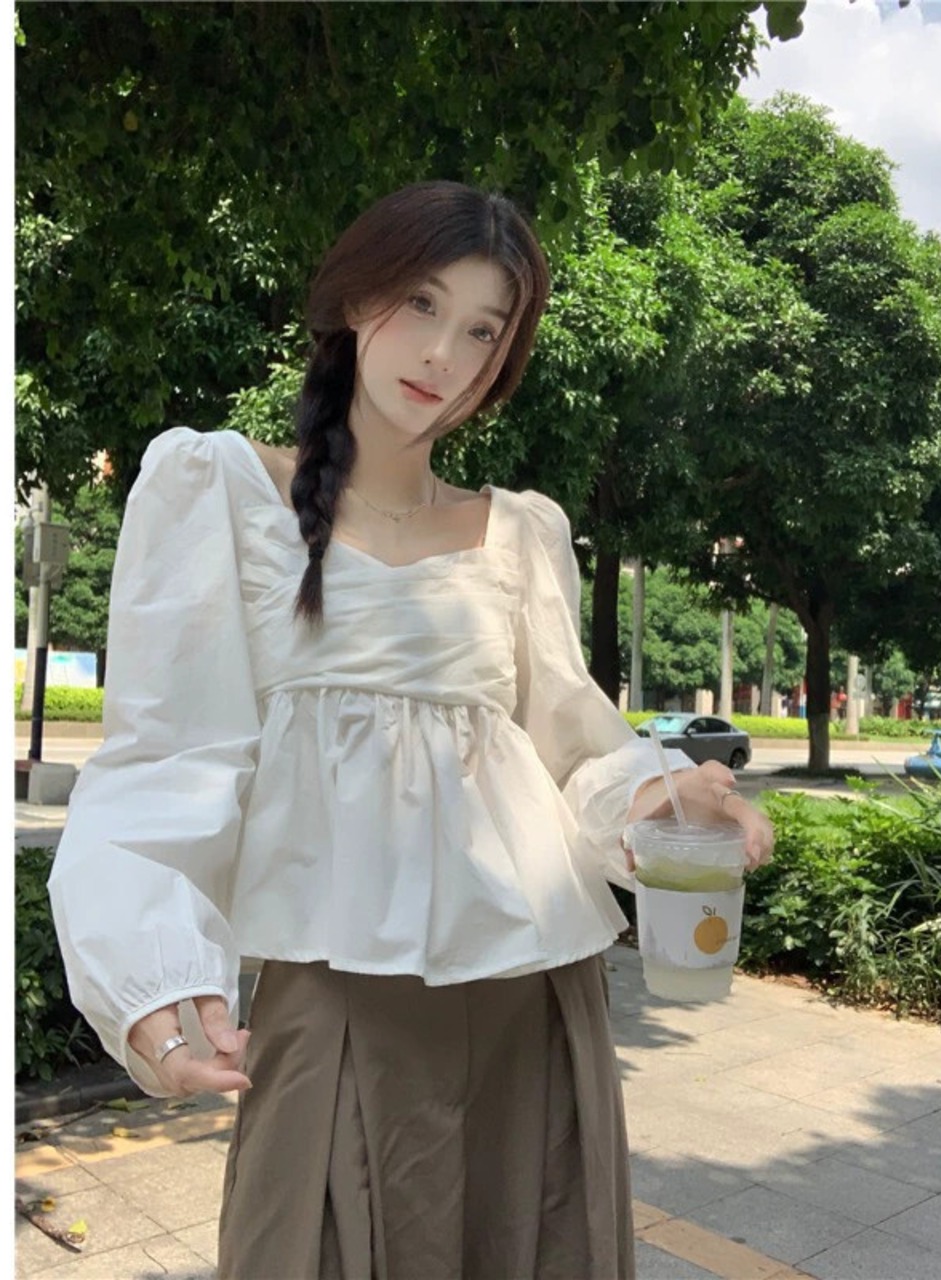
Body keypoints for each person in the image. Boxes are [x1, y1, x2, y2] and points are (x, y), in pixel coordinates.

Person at [49, 180, 775, 1280]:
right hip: (332, 992)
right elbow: (167, 752)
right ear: (357, 298)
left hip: (535, 996)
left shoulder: (520, 533)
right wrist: (148, 971)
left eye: (483, 329)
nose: (444, 353)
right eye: (423, 303)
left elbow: (569, 745)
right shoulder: (222, 488)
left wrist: (660, 796)